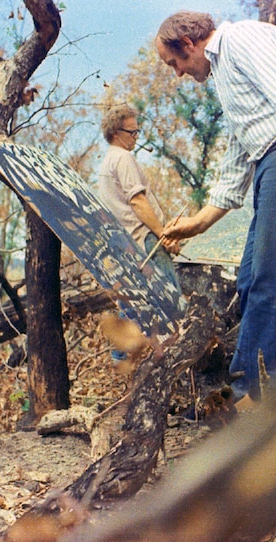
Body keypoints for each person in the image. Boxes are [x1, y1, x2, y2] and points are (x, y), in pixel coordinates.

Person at [156, 11, 276, 403]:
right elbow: (236, 158)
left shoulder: (243, 39)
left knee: (272, 277)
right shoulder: (224, 73)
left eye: (174, 63)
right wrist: (197, 224)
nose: (177, 73)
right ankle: (242, 390)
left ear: (189, 44)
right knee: (251, 280)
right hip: (275, 161)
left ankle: (258, 400)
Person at [98, 102, 182, 361]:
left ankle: (122, 363)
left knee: (136, 304)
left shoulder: (107, 162)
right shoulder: (122, 158)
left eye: (137, 132)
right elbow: (137, 201)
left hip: (128, 244)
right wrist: (163, 235)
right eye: (131, 132)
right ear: (116, 132)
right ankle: (177, 360)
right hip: (144, 240)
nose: (135, 137)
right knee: (171, 301)